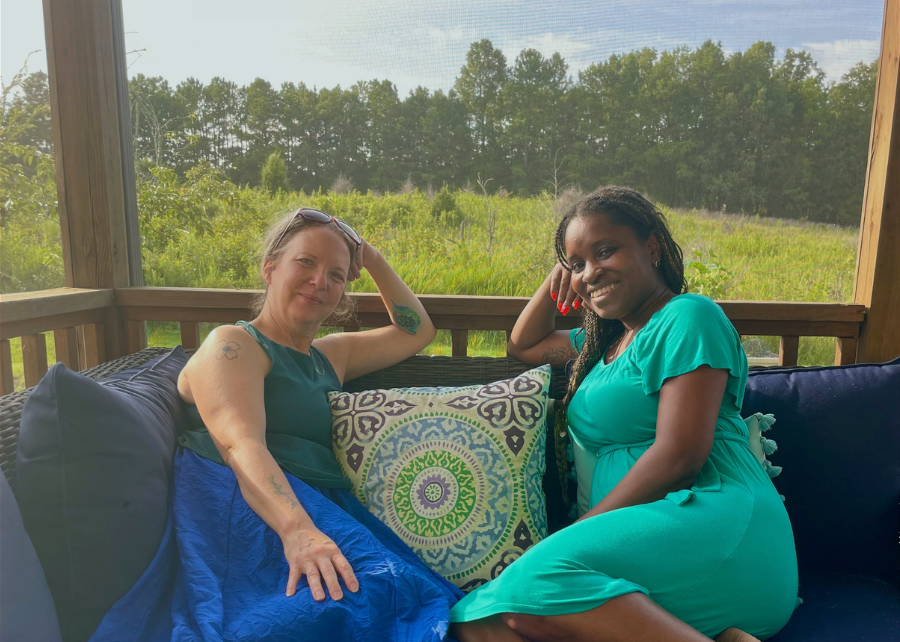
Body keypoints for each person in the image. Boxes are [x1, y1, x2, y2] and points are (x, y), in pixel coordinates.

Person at [450, 187, 798, 642]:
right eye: (577, 263)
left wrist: (580, 530)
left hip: (710, 519)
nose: (590, 272)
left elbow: (680, 456)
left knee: (532, 584)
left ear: (651, 248)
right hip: (639, 547)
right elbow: (523, 344)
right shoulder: (601, 346)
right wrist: (564, 273)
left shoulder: (688, 317)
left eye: (605, 251)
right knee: (474, 620)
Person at [173, 208, 462, 640]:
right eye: (306, 262)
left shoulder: (330, 355)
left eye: (337, 275)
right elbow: (239, 444)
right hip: (252, 504)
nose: (320, 282)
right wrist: (299, 531)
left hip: (324, 505)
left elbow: (416, 331)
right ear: (270, 268)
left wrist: (373, 260)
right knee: (375, 595)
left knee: (415, 596)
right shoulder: (233, 344)